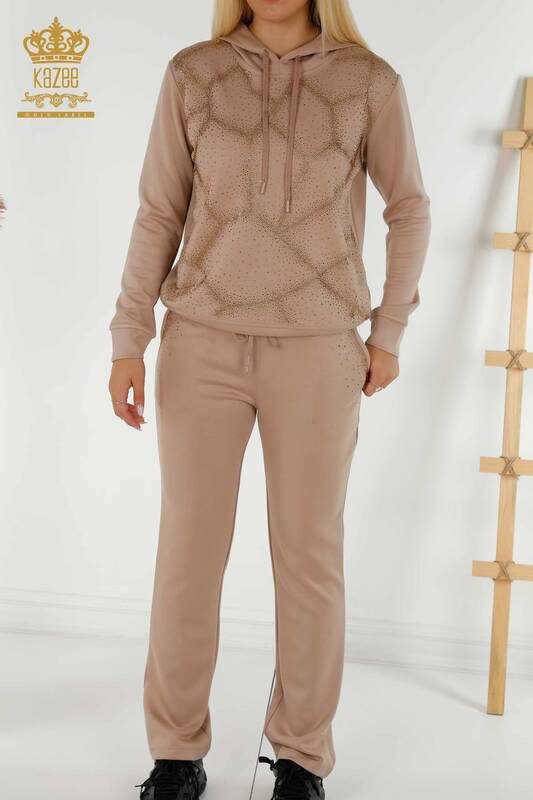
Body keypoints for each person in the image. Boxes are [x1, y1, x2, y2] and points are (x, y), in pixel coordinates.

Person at [108, 1, 431, 797]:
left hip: (319, 351)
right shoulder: (193, 73)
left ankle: (301, 758)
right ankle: (175, 755)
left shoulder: (368, 82)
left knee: (308, 558)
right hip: (200, 346)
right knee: (187, 555)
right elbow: (158, 210)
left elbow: (409, 208)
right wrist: (128, 336)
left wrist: (388, 331)